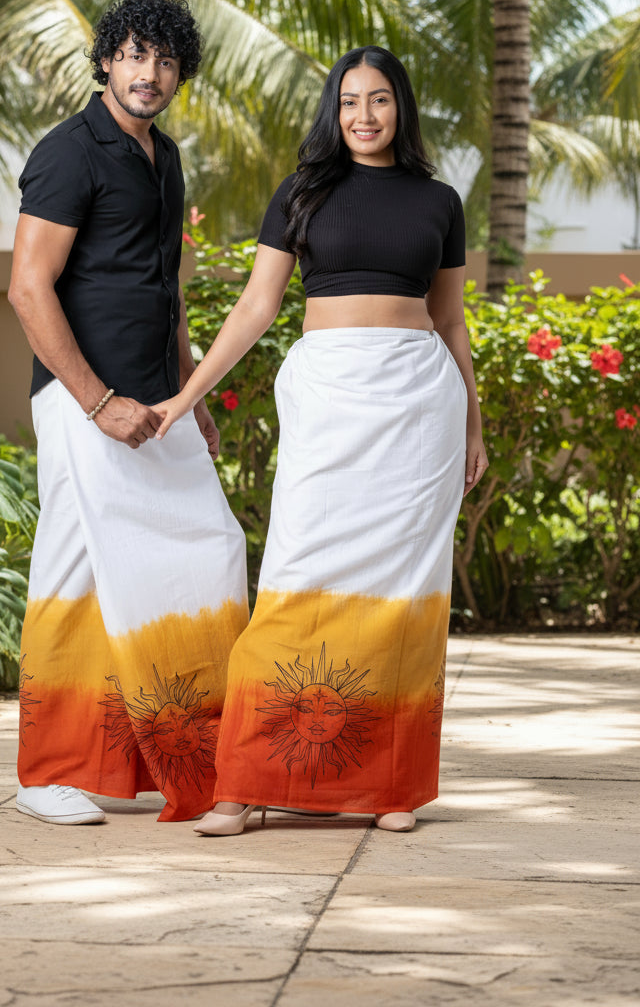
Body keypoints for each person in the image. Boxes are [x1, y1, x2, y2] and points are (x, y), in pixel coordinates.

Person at [154, 45, 488, 835]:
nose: (363, 116)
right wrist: (186, 394)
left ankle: (388, 787)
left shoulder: (439, 201)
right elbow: (254, 307)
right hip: (329, 395)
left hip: (418, 403)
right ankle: (242, 783)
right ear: (332, 113)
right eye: (348, 102)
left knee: (404, 593)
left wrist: (474, 422)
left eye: (378, 100)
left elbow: (451, 321)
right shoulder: (301, 192)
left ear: (400, 108)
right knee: (296, 573)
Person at [8, 0, 248, 825]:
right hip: (87, 402)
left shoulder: (166, 157)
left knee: (207, 554)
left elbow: (166, 290)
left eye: (167, 60)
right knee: (75, 575)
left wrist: (192, 397)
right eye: (136, 54)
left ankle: (168, 754)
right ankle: (48, 772)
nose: (150, 73)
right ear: (107, 58)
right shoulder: (68, 152)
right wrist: (98, 400)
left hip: (157, 402)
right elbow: (27, 287)